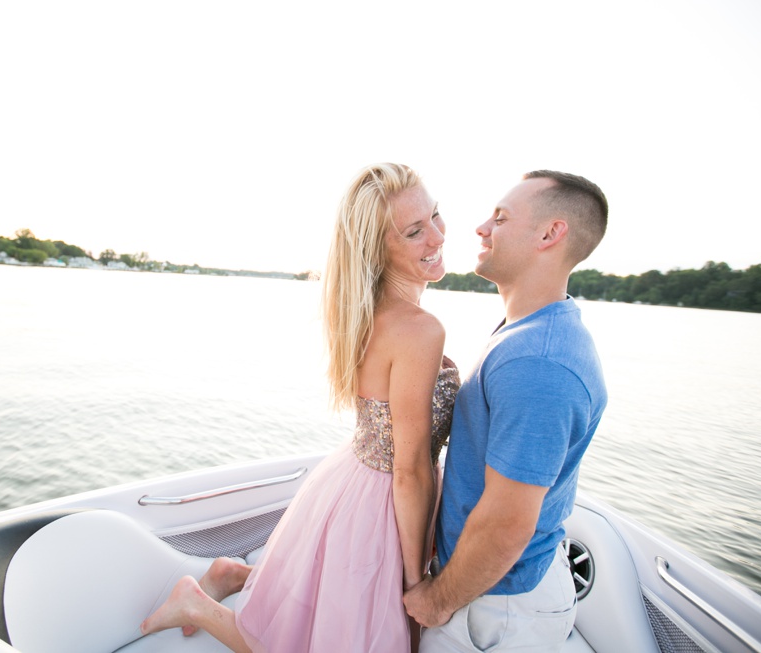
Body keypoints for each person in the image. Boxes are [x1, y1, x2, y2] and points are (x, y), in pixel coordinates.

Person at [139, 163, 461, 652]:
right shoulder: (419, 328)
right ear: (378, 250)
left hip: (353, 480)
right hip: (382, 500)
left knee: (332, 605)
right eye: (415, 231)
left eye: (436, 215)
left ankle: (234, 574)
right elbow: (410, 470)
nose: (437, 235)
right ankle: (196, 604)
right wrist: (416, 581)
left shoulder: (364, 309)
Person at [403, 170, 609, 652]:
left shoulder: (539, 360)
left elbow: (507, 523)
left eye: (500, 218)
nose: (480, 228)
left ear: (550, 233)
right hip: (493, 591)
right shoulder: (531, 331)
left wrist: (436, 600)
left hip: (495, 608)